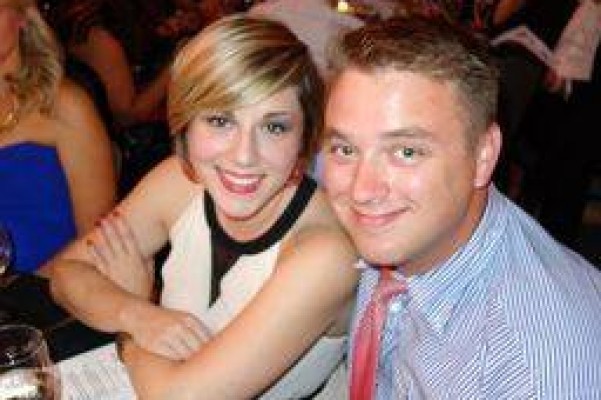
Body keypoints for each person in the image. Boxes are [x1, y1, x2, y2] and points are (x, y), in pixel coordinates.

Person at [49, 15, 358, 399]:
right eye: (220, 120)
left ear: (305, 137)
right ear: (185, 124)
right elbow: (67, 273)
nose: (244, 156)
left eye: (274, 127)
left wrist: (132, 323)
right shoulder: (179, 182)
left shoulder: (325, 254)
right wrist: (138, 314)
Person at [322, 16, 601, 399]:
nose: (362, 190)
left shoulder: (530, 373)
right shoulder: (411, 233)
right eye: (344, 149)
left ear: (484, 155)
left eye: (406, 152)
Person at [0, 0, 115, 275]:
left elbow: (97, 237)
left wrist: (21, 288)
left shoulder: (65, 106)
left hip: (51, 291)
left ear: (22, 17)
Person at [44, 0, 171, 130]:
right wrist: (177, 64)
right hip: (112, 135)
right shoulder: (94, 33)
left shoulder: (120, 18)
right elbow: (127, 115)